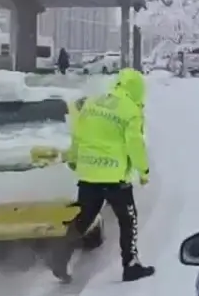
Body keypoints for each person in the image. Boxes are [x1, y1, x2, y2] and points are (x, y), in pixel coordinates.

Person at [49, 68, 154, 284]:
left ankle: (59, 257)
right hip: (115, 178)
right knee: (128, 221)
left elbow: (78, 135)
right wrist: (143, 171)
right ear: (137, 89)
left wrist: (74, 160)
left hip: (88, 175)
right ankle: (131, 266)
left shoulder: (93, 103)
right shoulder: (130, 110)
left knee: (84, 218)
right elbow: (134, 143)